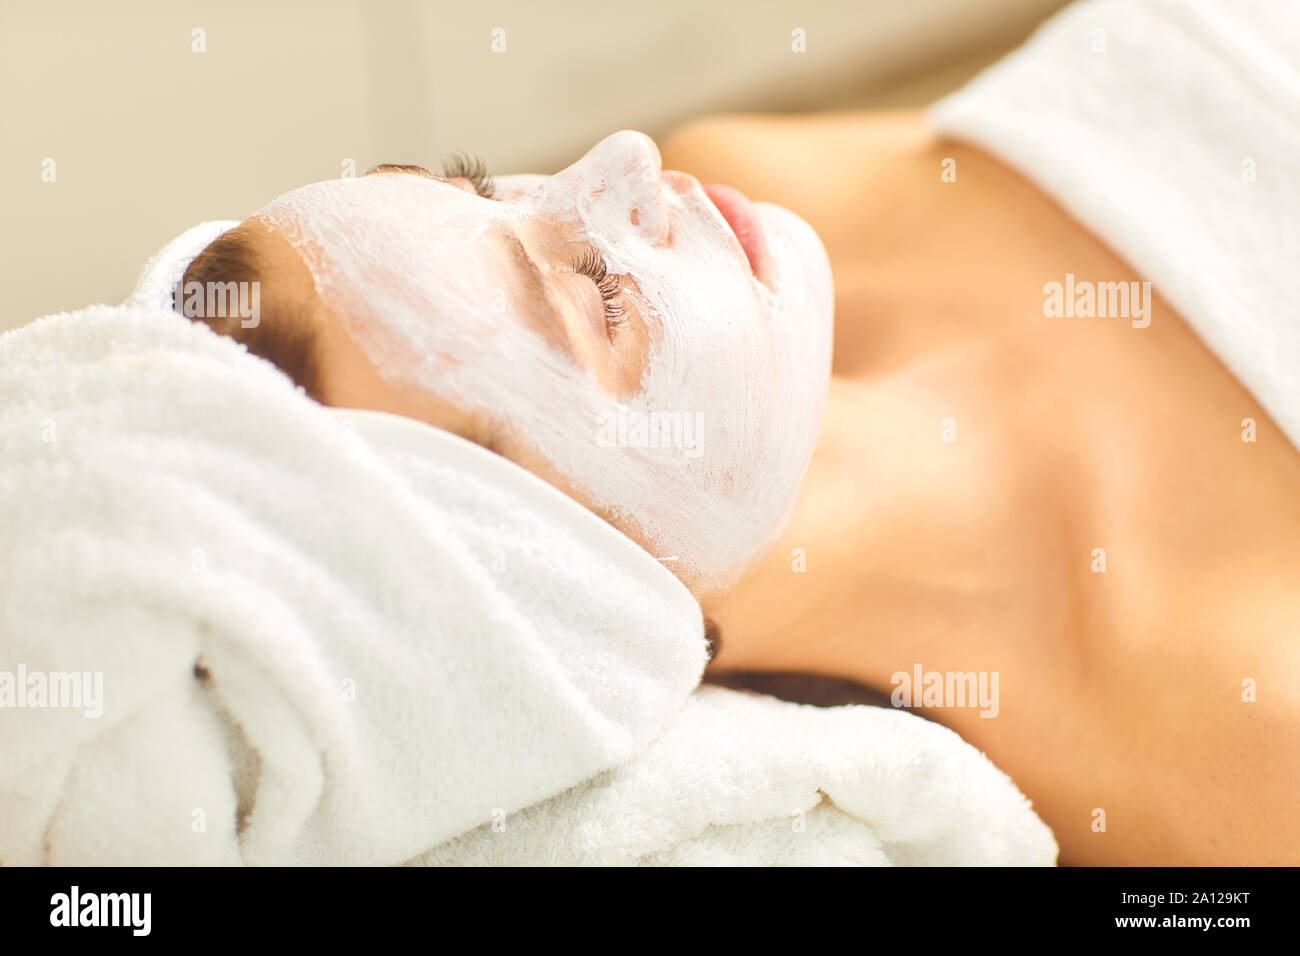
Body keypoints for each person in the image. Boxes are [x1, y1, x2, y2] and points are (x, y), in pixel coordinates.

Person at [178, 117, 1300, 866]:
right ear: (585, 596)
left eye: (483, 186)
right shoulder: (1234, 754)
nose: (621, 158)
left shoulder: (762, 172)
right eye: (593, 292)